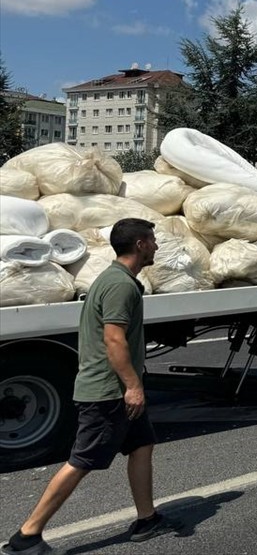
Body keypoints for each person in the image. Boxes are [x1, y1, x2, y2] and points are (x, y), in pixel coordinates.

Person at [3, 219, 179, 555]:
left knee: (142, 445)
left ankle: (147, 519)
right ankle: (27, 536)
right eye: (153, 240)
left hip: (116, 388)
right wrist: (133, 386)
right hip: (108, 391)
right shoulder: (120, 286)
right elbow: (114, 339)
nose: (156, 246)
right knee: (82, 461)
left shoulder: (116, 279)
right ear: (140, 245)